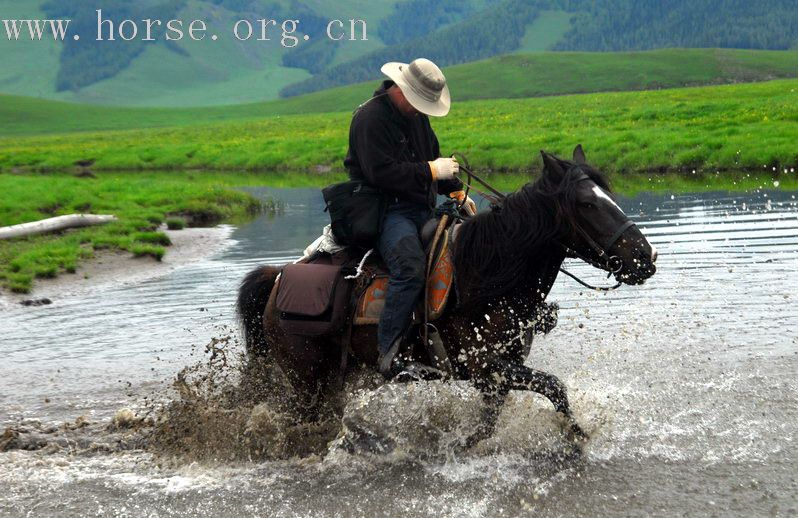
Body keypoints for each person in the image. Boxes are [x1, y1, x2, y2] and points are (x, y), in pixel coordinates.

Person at [343, 57, 476, 377]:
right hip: (385, 211)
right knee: (410, 266)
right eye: (418, 102)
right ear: (400, 88)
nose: (420, 109)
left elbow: (432, 162)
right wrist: (431, 170)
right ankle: (388, 353)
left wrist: (456, 190)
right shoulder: (369, 118)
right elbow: (380, 173)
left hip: (421, 208)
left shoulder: (416, 119)